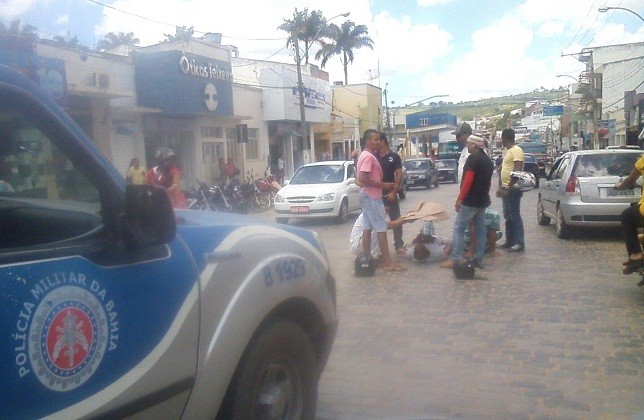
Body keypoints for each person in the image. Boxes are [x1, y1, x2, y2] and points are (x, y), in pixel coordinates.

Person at [441, 135, 494, 270]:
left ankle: (456, 258)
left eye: (469, 145)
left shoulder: (472, 159)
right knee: (480, 230)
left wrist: (460, 199)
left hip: (470, 201)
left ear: (475, 146)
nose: (467, 147)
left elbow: (468, 181)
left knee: (458, 228)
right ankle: (478, 259)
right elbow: (488, 183)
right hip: (482, 201)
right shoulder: (487, 161)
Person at [356, 129, 403, 272]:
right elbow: (362, 178)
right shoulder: (369, 157)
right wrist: (382, 185)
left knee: (368, 227)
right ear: (368, 141)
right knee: (381, 228)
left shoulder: (365, 156)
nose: (378, 142)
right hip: (372, 196)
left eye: (379, 139)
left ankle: (367, 259)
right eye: (375, 139)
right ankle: (389, 262)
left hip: (367, 195)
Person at [614, 155, 644, 274]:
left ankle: (635, 255)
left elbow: (630, 180)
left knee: (626, 216)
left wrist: (619, 186)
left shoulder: (642, 161)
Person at [497, 128, 525, 252]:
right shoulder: (507, 152)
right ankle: (510, 241)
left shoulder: (517, 151)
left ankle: (519, 242)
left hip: (513, 189)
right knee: (507, 215)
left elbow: (517, 171)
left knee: (514, 215)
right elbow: (503, 169)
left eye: (501, 138)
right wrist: (500, 186)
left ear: (505, 138)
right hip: (505, 188)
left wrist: (509, 186)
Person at [377, 132, 405, 252]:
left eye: (377, 140)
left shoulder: (394, 157)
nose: (375, 142)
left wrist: (394, 192)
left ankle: (398, 244)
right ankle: (379, 248)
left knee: (396, 219)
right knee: (377, 221)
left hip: (390, 193)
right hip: (376, 194)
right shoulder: (373, 156)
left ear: (383, 141)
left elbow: (399, 175)